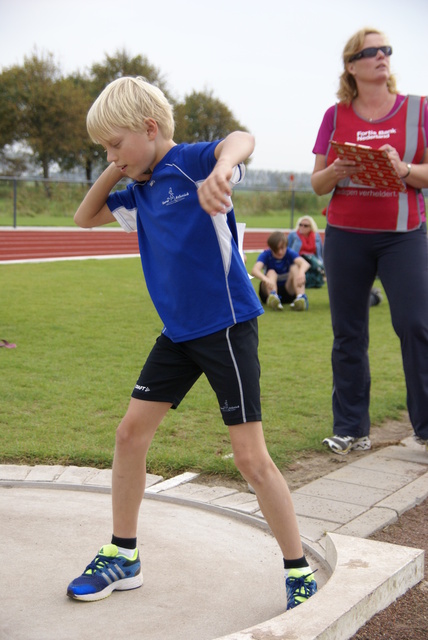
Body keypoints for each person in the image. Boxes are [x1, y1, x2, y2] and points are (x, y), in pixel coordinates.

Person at [66, 77, 317, 609]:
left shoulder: (194, 162)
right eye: (103, 149)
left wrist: (223, 170)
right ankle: (123, 554)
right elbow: (83, 218)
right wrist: (120, 163)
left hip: (225, 328)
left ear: (151, 128)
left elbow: (241, 138)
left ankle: (298, 572)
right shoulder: (137, 191)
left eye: (115, 144)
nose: (109, 157)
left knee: (250, 458)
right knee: (130, 434)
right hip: (178, 335)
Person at [311, 27, 428, 455]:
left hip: (403, 237)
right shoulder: (335, 115)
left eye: (387, 50)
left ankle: (426, 428)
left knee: (416, 325)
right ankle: (351, 429)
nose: (382, 56)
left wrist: (403, 169)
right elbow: (318, 183)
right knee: (348, 334)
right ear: (351, 65)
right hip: (346, 235)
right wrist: (339, 170)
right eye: (372, 51)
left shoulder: (419, 110)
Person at [251, 231, 310, 311]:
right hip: (269, 288)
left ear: (286, 246)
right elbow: (254, 270)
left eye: (282, 248)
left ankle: (300, 297)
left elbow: (305, 264)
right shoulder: (266, 254)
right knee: (271, 272)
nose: (280, 252)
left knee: (295, 268)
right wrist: (265, 279)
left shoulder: (289, 252)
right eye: (276, 249)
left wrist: (301, 273)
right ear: (271, 248)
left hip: (287, 289)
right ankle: (273, 297)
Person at [287, 216, 325, 289]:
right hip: (298, 259)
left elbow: (320, 252)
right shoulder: (293, 235)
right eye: (300, 225)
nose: (302, 227)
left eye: (306, 225)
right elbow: (287, 248)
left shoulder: (316, 236)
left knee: (316, 265)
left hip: (313, 260)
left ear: (311, 227)